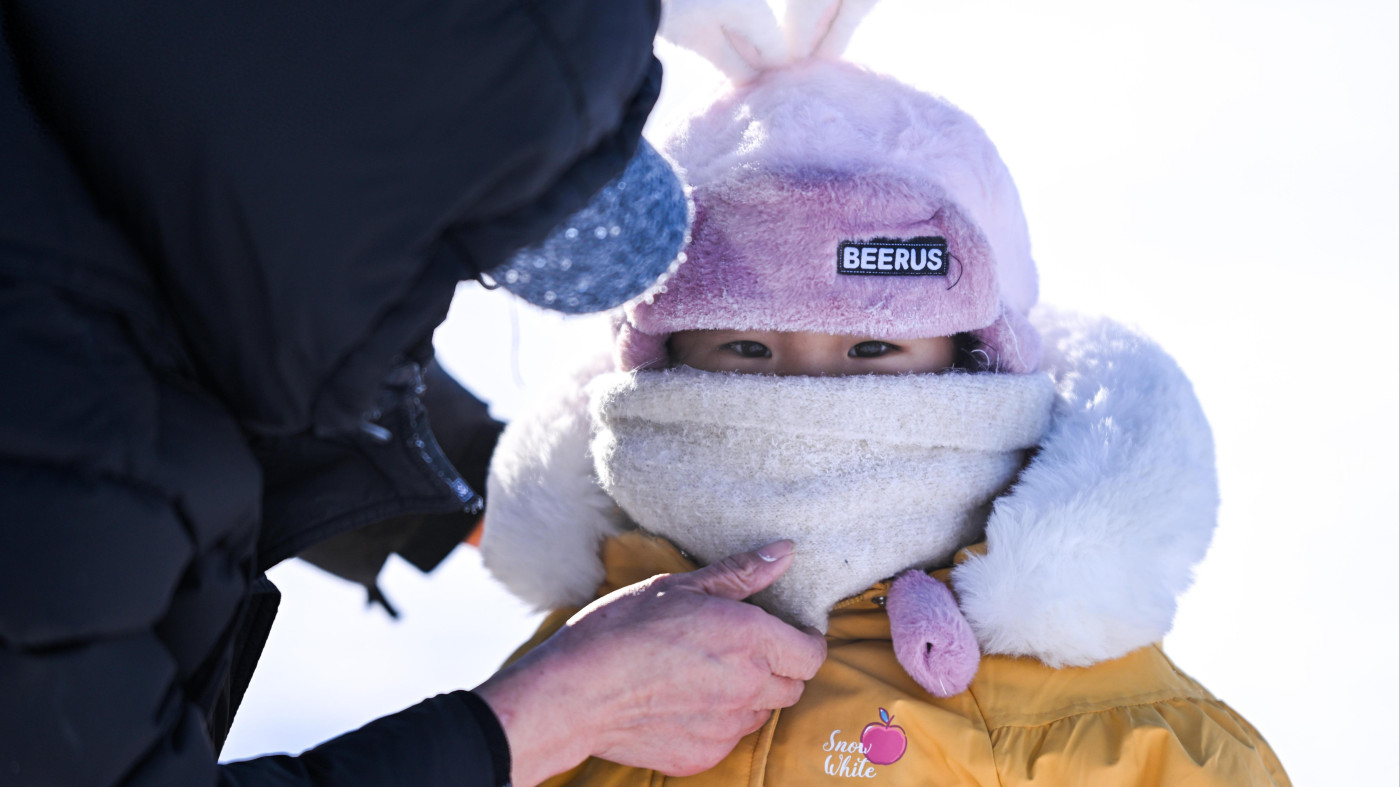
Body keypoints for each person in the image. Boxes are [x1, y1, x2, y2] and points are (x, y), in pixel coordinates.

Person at [0, 1, 825, 785]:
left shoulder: (111, 111)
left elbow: (243, 278)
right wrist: (553, 715)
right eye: (458, 260)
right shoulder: (68, 426)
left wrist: (485, 485)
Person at [477, 1, 1292, 784]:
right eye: (745, 346)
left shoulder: (1137, 747)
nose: (807, 395)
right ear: (660, 359)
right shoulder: (559, 694)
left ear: (975, 355)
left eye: (873, 346)